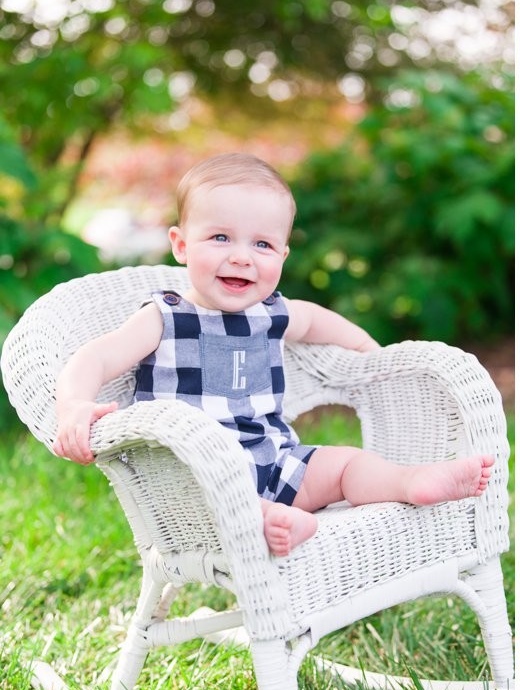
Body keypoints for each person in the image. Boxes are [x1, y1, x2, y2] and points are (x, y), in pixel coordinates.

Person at [54, 153, 493, 556]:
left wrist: (371, 355)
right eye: (221, 237)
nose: (242, 258)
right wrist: (74, 405)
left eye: (262, 245)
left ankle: (410, 481)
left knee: (343, 464)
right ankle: (270, 521)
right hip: (198, 475)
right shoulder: (166, 317)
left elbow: (320, 321)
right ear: (182, 244)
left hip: (277, 460)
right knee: (226, 496)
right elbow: (96, 357)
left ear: (283, 255)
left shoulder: (271, 314)